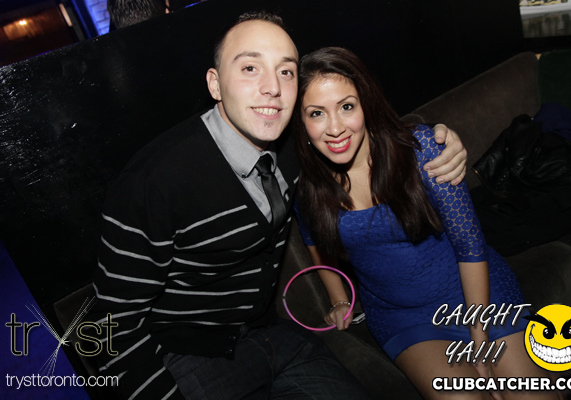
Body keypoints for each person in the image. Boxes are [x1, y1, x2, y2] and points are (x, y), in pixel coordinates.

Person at [85, 12, 467, 399]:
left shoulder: (292, 147)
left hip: (273, 335)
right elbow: (105, 325)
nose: (272, 88)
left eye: (286, 72)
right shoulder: (154, 182)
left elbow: (363, 134)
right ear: (215, 84)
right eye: (250, 68)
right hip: (186, 356)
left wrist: (437, 141)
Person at [293, 47, 558, 400]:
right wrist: (338, 297)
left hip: (476, 294)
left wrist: (479, 344)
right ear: (301, 122)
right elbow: (312, 237)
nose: (336, 127)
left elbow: (470, 245)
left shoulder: (422, 151)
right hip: (403, 317)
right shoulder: (307, 188)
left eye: (346, 106)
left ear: (365, 104)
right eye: (316, 113)